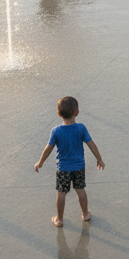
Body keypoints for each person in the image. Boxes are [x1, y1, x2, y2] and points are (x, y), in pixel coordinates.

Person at [34, 96, 105, 227]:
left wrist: (40, 162)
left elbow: (48, 149)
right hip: (79, 167)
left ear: (59, 113)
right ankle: (85, 214)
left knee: (61, 193)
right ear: (77, 112)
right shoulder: (81, 128)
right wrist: (99, 159)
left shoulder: (56, 131)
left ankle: (59, 219)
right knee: (80, 189)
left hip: (63, 168)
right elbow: (91, 144)